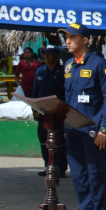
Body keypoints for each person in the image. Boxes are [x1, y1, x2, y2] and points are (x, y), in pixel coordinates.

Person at [58, 23, 106, 210]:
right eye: (66, 37)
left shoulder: (100, 64)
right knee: (79, 177)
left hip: (94, 133)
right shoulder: (68, 65)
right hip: (73, 131)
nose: (68, 40)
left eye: (73, 37)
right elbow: (68, 100)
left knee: (95, 176)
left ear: (85, 40)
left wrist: (104, 129)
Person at [31, 45, 68, 178]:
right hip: (43, 114)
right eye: (45, 54)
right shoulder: (41, 71)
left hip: (59, 114)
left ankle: (60, 168)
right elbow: (35, 91)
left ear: (57, 57)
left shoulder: (64, 72)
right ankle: (48, 166)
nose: (46, 56)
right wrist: (34, 108)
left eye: (49, 54)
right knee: (43, 139)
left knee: (59, 141)